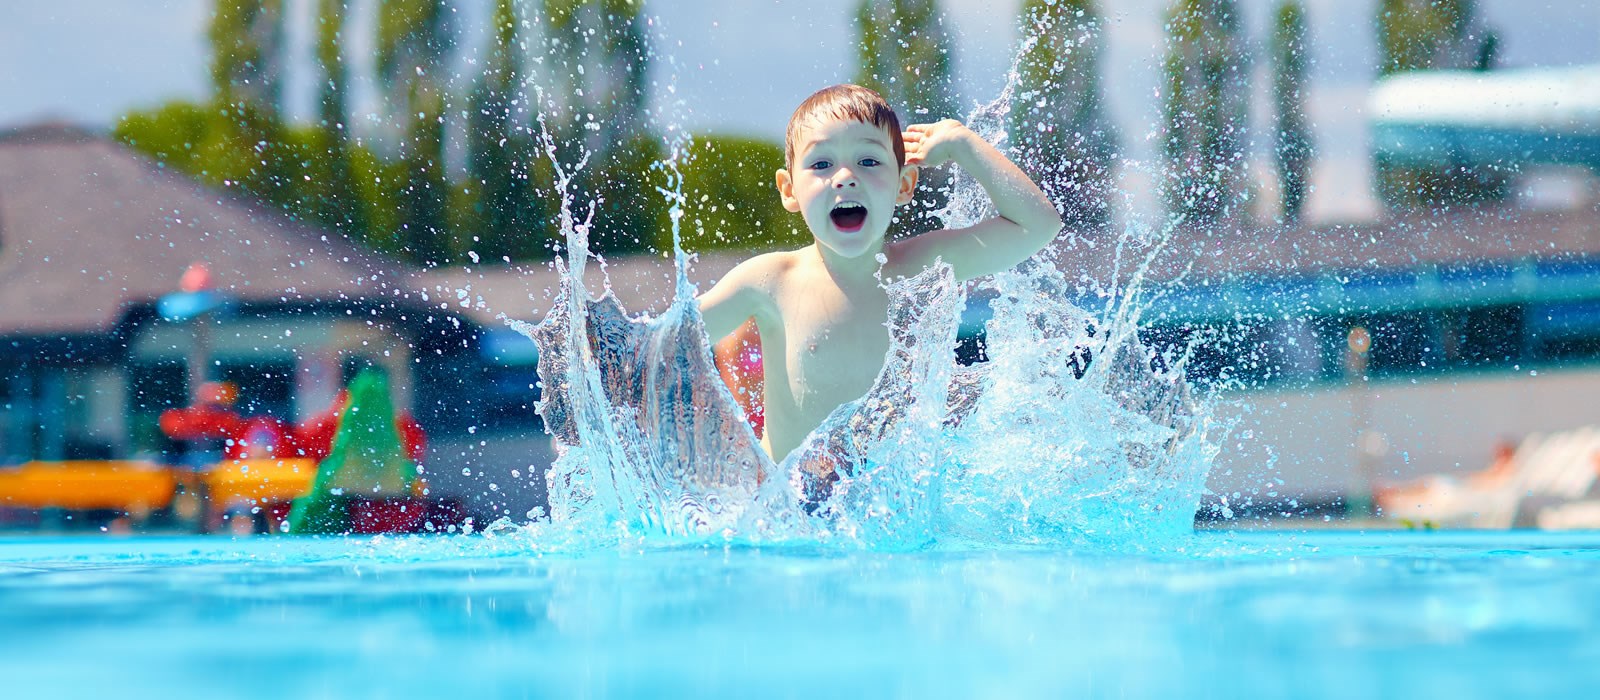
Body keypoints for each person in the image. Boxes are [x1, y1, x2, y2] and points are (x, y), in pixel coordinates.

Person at [696, 84, 1062, 468]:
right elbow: (668, 340)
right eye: (821, 164)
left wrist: (963, 144)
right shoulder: (770, 281)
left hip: (889, 512)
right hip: (791, 512)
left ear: (904, 185)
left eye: (868, 161)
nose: (844, 177)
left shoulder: (924, 266)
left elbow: (1038, 225)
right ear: (789, 190)